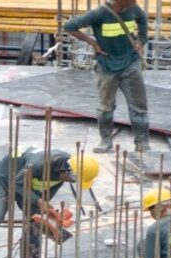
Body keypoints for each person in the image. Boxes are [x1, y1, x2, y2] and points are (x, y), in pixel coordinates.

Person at [63, 0, 150, 153]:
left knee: (139, 106)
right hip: (107, 66)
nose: (135, 2)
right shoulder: (99, 13)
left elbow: (142, 20)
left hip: (131, 63)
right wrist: (92, 42)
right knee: (105, 107)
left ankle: (142, 143)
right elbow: (69, 26)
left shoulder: (133, 8)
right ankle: (105, 141)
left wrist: (141, 40)